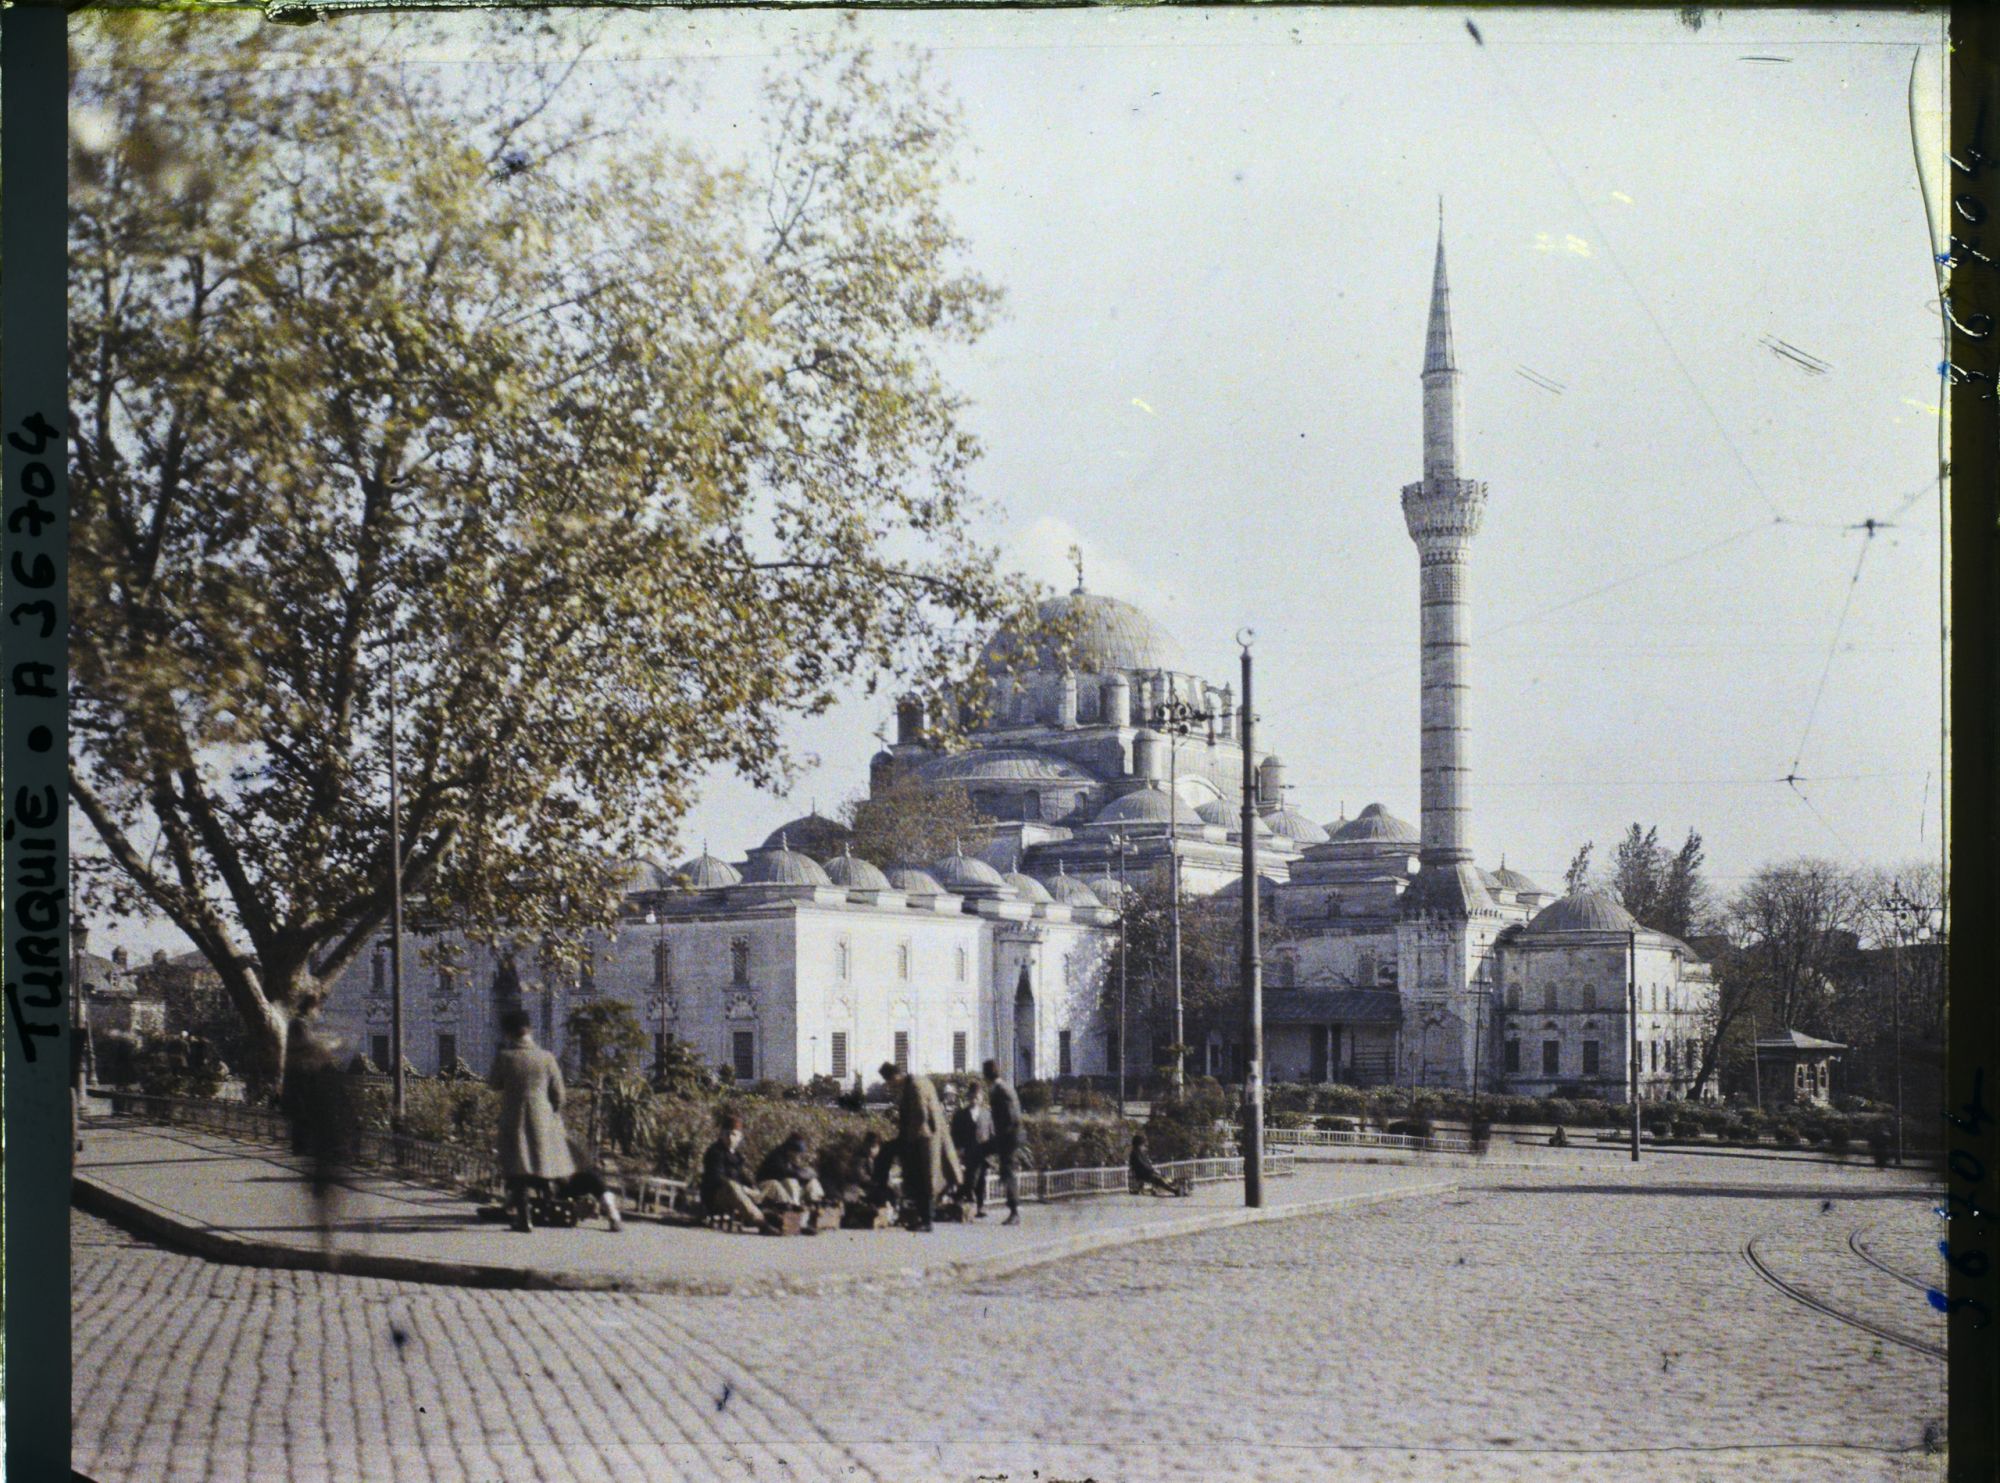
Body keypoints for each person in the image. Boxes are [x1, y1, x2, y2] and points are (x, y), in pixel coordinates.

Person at [487, 1008, 575, 1233]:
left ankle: (524, 1218)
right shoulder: (547, 1058)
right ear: (530, 1030)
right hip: (543, 1121)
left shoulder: (505, 1057)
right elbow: (559, 1095)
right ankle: (550, 1206)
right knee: (541, 1163)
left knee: (518, 1169)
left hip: (513, 1120)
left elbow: (494, 1084)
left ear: (508, 1033)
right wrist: (549, 1112)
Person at [880, 1062, 959, 1232]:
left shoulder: (916, 1086)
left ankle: (926, 1220)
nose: (891, 1087)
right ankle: (923, 1217)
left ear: (894, 1077)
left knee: (924, 1179)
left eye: (890, 1083)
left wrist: (908, 1142)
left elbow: (921, 1115)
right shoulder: (916, 1082)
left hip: (923, 1139)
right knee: (922, 1179)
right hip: (921, 1138)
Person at [700, 1111, 775, 1231]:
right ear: (721, 1135)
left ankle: (783, 1214)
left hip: (737, 1193)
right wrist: (741, 1188)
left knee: (771, 1184)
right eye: (727, 1134)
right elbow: (716, 1177)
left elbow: (742, 1174)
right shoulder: (714, 1152)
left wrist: (752, 1186)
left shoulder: (737, 1156)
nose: (730, 1138)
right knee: (732, 1185)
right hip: (717, 1196)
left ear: (740, 1138)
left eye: (734, 1135)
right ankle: (760, 1221)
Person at [982, 1059, 1023, 1225]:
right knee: (978, 1153)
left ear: (986, 1076)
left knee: (1008, 1170)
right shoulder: (1000, 1088)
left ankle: (1014, 1212)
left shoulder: (1001, 1090)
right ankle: (971, 1196)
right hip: (1005, 1136)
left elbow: (1012, 1117)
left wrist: (1003, 1140)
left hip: (1009, 1137)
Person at [555, 1135, 624, 1232]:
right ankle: (613, 1215)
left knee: (596, 1182)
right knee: (594, 1181)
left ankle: (614, 1216)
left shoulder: (587, 1173)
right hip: (567, 1180)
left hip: (575, 1179)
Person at [950, 1083, 992, 1215]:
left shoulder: (986, 1114)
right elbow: (954, 1134)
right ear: (968, 1097)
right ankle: (966, 1202)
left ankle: (980, 1206)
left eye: (977, 1097)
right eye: (972, 1097)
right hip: (967, 1152)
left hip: (983, 1152)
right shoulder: (960, 1115)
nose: (974, 1099)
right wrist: (958, 1149)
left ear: (982, 1098)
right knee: (969, 1179)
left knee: (981, 1180)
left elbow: (991, 1133)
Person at [755, 1132, 825, 1210]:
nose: (798, 1156)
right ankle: (794, 1207)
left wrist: (809, 1174)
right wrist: (802, 1174)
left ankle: (817, 1202)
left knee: (812, 1182)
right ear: (791, 1150)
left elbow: (798, 1172)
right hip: (768, 1187)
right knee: (790, 1181)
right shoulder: (776, 1156)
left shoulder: (790, 1159)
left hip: (784, 1190)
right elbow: (786, 1173)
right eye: (797, 1153)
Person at [1128, 1131, 1187, 1196]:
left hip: (1146, 1173)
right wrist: (1152, 1170)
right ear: (1139, 1145)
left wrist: (1153, 1170)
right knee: (1159, 1179)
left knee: (1162, 1177)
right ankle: (1175, 1190)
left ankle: (1177, 1187)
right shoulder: (1136, 1154)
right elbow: (1143, 1165)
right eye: (1143, 1145)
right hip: (1143, 1175)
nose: (1144, 1147)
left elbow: (1146, 1165)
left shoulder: (1139, 1154)